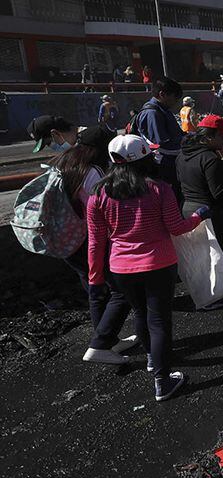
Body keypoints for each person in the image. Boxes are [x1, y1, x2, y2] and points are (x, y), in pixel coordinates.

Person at [87, 135, 208, 401]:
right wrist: (198, 217)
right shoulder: (159, 189)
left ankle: (153, 360)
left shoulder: (98, 195)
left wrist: (94, 277)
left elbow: (96, 242)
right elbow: (176, 227)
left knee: (140, 314)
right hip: (159, 264)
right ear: (144, 157)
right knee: (159, 321)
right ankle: (162, 382)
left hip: (121, 267)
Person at [51, 126, 136, 365]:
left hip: (68, 238)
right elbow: (101, 209)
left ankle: (107, 339)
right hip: (89, 239)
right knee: (121, 290)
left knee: (95, 289)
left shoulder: (65, 163)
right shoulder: (93, 172)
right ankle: (101, 344)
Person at [176, 115, 223, 263]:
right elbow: (219, 194)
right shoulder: (210, 159)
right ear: (210, 137)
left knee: (200, 257)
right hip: (210, 214)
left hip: (187, 210)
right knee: (219, 257)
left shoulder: (182, 155)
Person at [134, 77, 186, 199]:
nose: (176, 102)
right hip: (163, 164)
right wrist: (187, 140)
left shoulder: (162, 110)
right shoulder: (153, 113)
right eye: (174, 97)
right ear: (162, 94)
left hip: (169, 162)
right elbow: (161, 142)